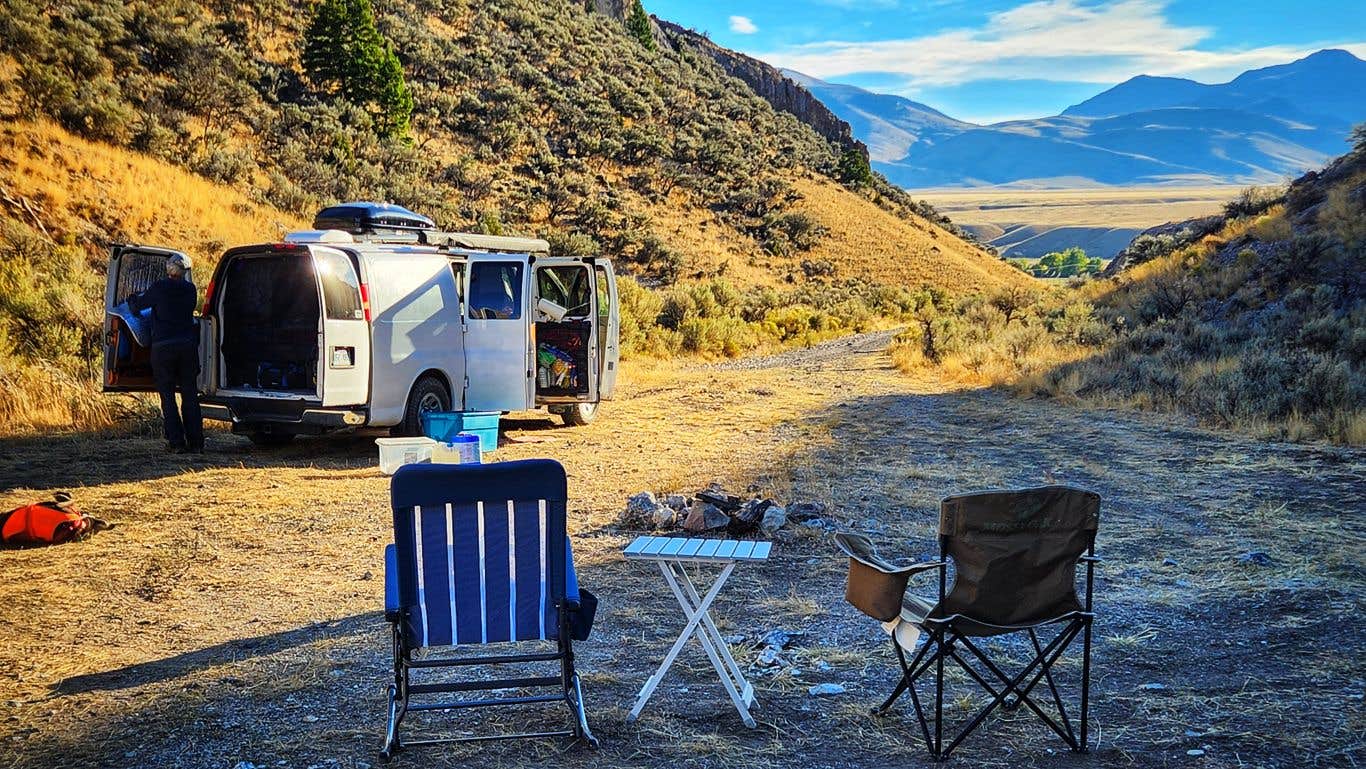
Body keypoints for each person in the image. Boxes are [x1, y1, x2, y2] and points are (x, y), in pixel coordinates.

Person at [127, 254, 204, 454]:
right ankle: (196, 442)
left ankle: (176, 442)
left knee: (167, 395)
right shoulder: (191, 289)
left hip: (164, 347)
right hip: (187, 346)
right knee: (189, 394)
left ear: (169, 268)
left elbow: (138, 307)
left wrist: (132, 298)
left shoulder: (160, 287)